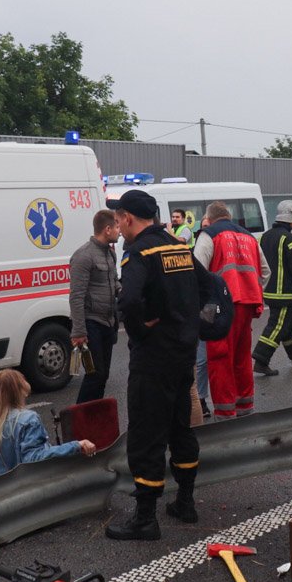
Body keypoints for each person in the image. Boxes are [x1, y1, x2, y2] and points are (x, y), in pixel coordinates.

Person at [106, 188, 215, 540]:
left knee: (146, 436)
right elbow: (207, 285)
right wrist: (186, 321)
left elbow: (129, 300)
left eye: (118, 217)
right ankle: (185, 502)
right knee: (180, 429)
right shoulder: (177, 246)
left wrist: (139, 332)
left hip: (152, 359)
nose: (117, 225)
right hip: (182, 355)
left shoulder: (138, 251)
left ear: (128, 218)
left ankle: (145, 518)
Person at [193, 201, 270, 420]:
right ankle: (245, 409)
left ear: (209, 218)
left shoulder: (209, 235)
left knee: (219, 359)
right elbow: (266, 271)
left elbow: (196, 270)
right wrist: (253, 290)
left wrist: (199, 304)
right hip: (246, 303)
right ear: (228, 216)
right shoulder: (248, 236)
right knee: (242, 357)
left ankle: (225, 414)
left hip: (218, 308)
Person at [0, 369, 99, 483]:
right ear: (17, 394)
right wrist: (75, 446)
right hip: (22, 491)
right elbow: (35, 459)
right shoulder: (28, 419)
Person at [253, 198, 292, 376]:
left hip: (268, 289)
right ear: (290, 217)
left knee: (287, 324)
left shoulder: (266, 236)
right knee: (278, 325)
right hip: (283, 292)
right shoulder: (289, 238)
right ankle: (261, 359)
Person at [69, 209, 120, 404]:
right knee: (94, 375)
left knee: (103, 375)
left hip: (108, 323)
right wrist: (79, 331)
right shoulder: (83, 256)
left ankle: (94, 420)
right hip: (91, 325)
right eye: (116, 226)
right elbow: (76, 296)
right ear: (107, 229)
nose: (119, 230)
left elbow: (114, 282)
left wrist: (124, 291)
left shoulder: (110, 254)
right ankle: (80, 421)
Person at [193, 214, 212, 418]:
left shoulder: (217, 243)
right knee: (202, 358)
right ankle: (201, 399)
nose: (206, 229)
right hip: (201, 308)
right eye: (203, 226)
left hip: (216, 305)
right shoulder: (197, 248)